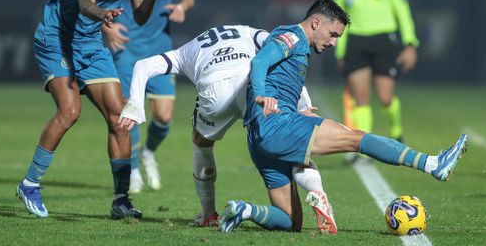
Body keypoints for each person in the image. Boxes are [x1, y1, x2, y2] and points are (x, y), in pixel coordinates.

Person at [219, 0, 467, 233]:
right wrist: (261, 95)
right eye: (333, 34)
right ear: (316, 23)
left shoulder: (295, 41)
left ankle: (245, 210)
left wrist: (292, 108)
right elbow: (260, 62)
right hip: (276, 124)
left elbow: (276, 77)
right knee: (357, 138)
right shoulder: (292, 36)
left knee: (291, 221)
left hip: (258, 136)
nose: (334, 42)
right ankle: (433, 164)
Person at [17, 0, 164, 219]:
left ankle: (121, 201)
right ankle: (30, 184)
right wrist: (103, 15)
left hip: (89, 44)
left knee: (121, 119)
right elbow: (85, 3)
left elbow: (139, 14)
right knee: (70, 111)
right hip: (57, 39)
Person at [119, 25, 337, 232]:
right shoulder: (252, 33)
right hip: (249, 86)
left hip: (216, 91)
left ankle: (207, 214)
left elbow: (143, 65)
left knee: (201, 142)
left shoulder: (188, 49)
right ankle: (317, 191)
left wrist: (135, 106)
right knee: (286, 141)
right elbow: (285, 59)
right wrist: (303, 106)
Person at [102, 0, 194, 194]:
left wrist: (181, 6)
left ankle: (148, 153)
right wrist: (106, 28)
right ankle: (132, 171)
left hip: (160, 49)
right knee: (131, 112)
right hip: (127, 50)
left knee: (164, 117)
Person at [333, 0, 419, 142]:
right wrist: (340, 50)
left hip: (383, 40)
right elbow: (337, 16)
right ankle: (364, 148)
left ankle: (396, 130)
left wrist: (410, 44)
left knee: (385, 98)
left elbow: (402, 10)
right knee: (361, 100)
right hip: (356, 41)